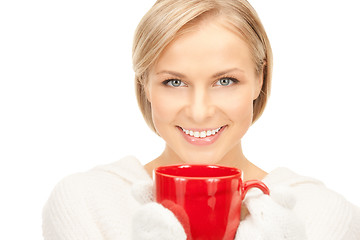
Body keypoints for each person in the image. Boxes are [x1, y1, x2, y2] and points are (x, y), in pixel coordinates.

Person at [42, 0, 360, 239]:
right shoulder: (87, 201)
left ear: (259, 78)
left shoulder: (321, 214)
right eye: (174, 82)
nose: (199, 112)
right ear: (145, 85)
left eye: (225, 81)